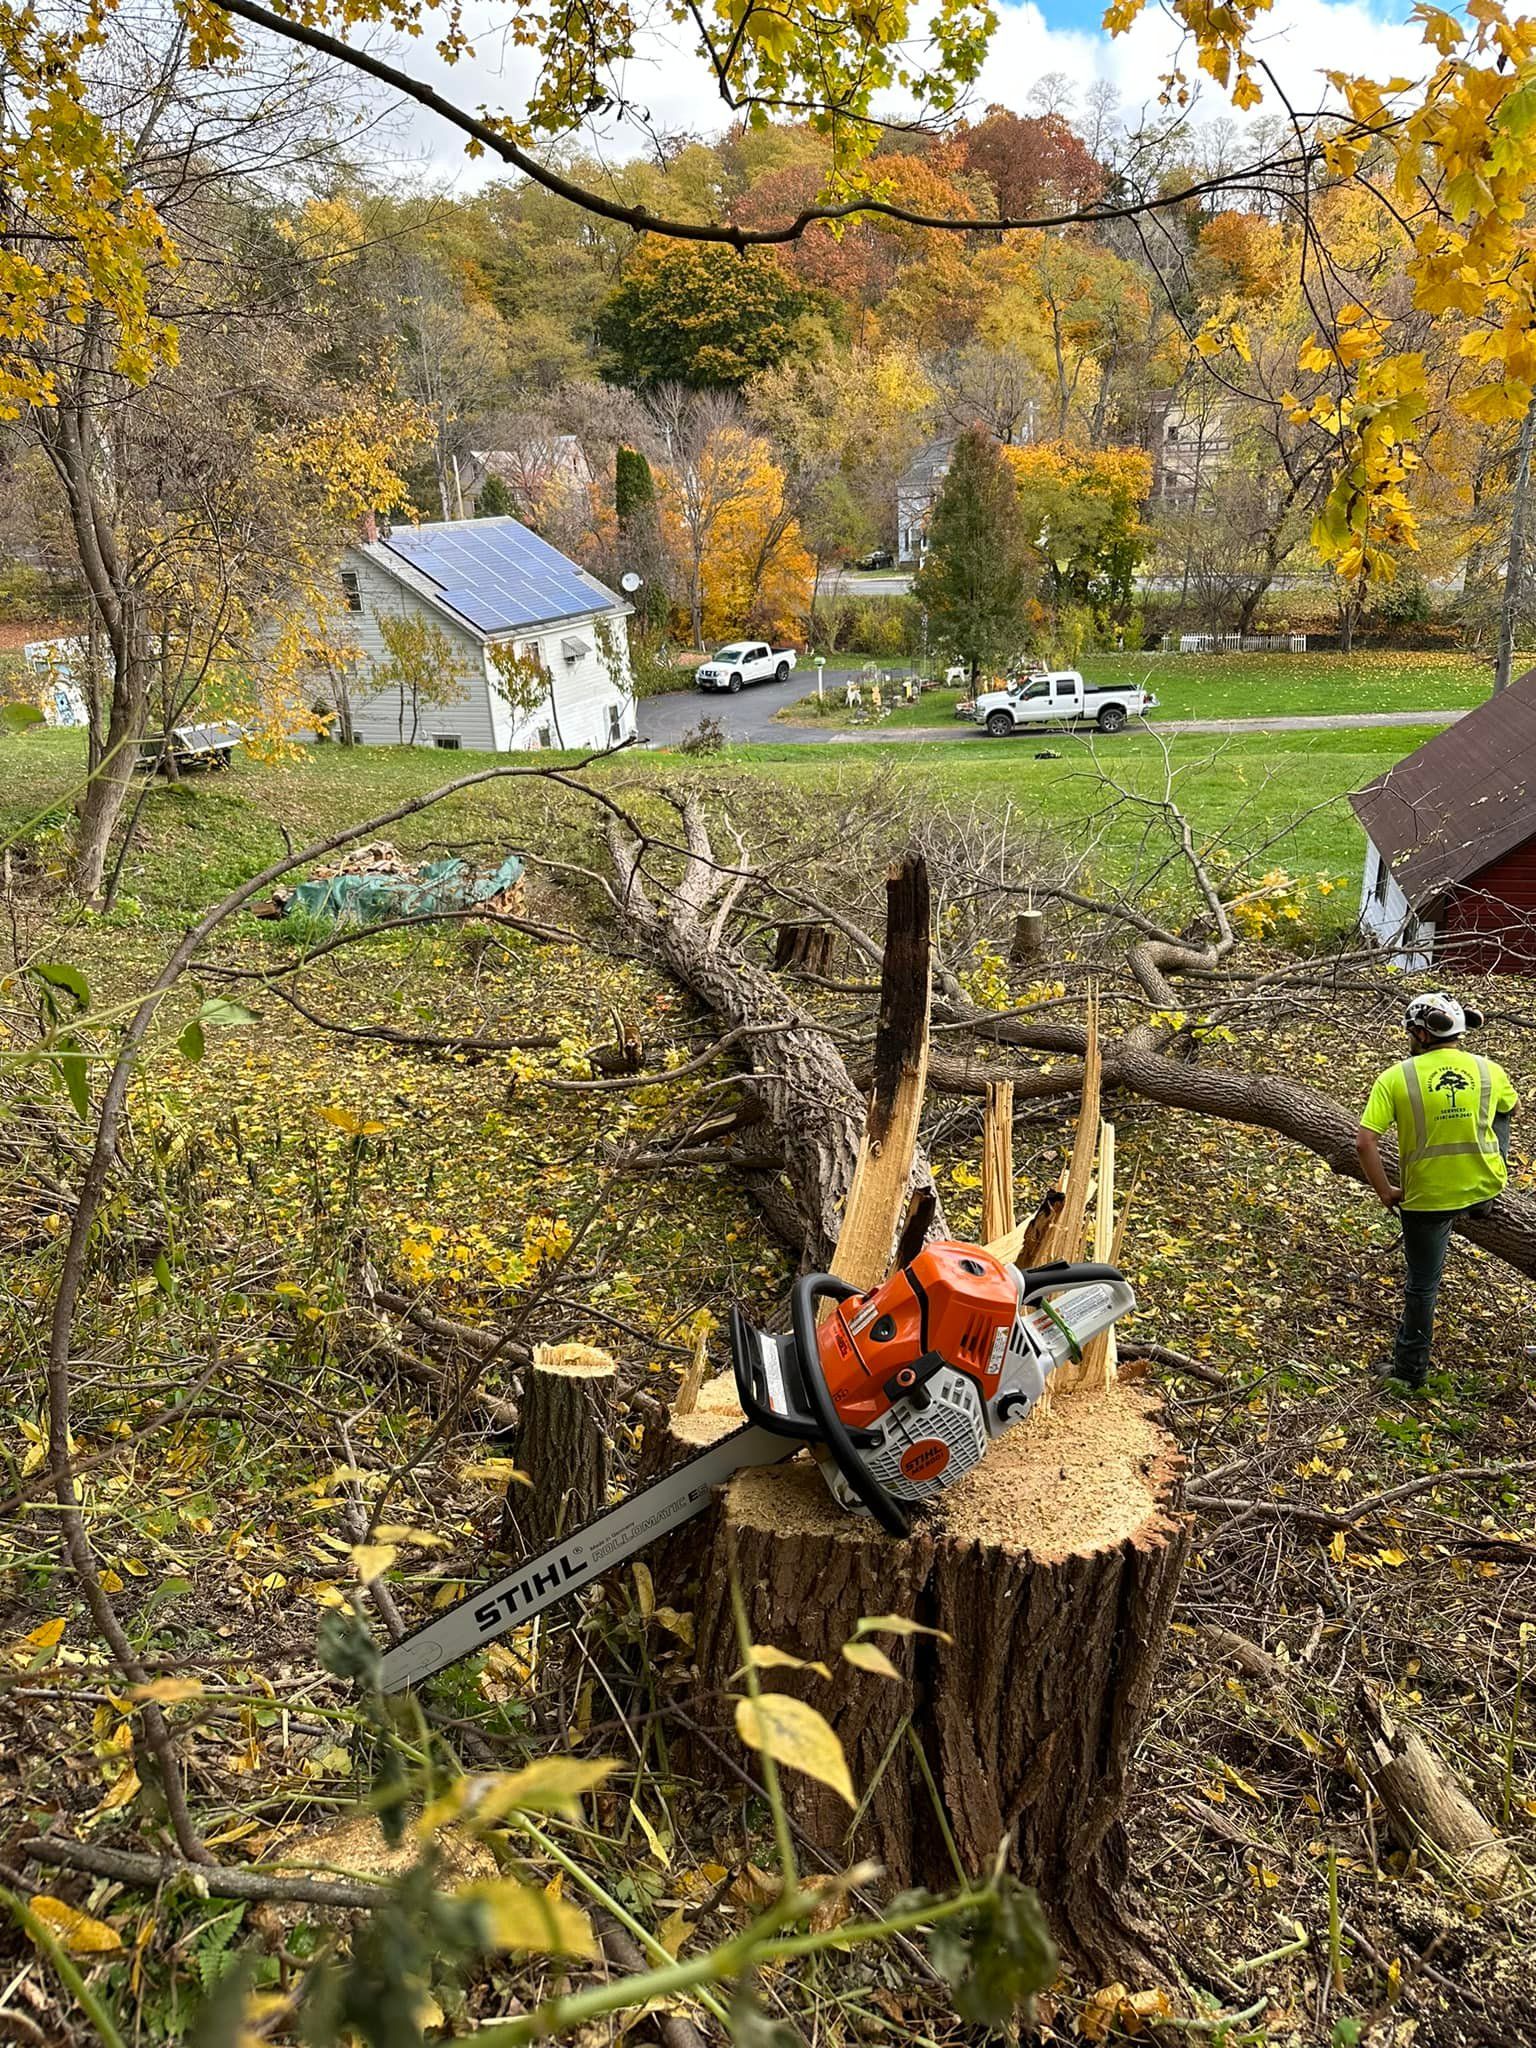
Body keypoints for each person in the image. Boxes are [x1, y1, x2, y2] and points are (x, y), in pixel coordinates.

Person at [1356, 994, 1519, 1389]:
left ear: (1421, 1032)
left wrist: (1385, 1192)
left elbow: (1364, 1143)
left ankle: (1410, 1372)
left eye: (1410, 1031)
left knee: (1422, 1286)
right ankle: (1484, 1195)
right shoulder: (1489, 1070)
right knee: (1500, 1112)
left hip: (1426, 1198)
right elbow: (1509, 1110)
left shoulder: (1396, 1077)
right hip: (1483, 1186)